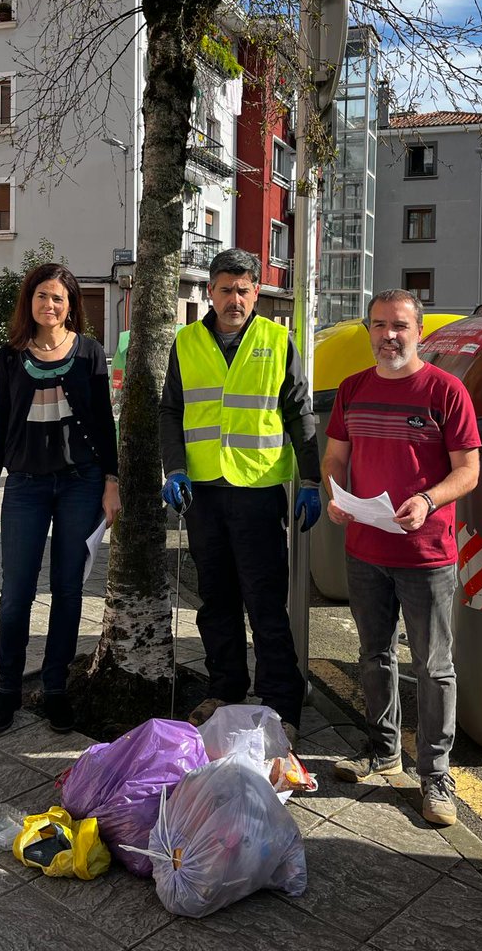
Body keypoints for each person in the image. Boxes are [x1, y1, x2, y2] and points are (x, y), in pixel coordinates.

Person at [322, 289, 479, 825]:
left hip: (427, 553)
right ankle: (382, 752)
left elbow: (469, 470)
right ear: (369, 330)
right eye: (379, 325)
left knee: (434, 667)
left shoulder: (446, 391)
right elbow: (336, 456)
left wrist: (430, 499)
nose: (389, 335)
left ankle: (436, 777)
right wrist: (336, 495)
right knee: (374, 657)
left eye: (400, 326)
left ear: (417, 333)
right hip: (365, 549)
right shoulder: (352, 390)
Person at [159, 248, 322, 746]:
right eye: (226, 289)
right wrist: (176, 469)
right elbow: (170, 411)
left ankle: (281, 702)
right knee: (216, 602)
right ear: (210, 291)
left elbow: (300, 413)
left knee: (265, 603)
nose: (235, 299)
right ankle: (225, 689)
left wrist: (311, 482)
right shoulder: (186, 342)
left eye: (244, 290)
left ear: (256, 292)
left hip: (256, 492)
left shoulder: (277, 340)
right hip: (204, 493)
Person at [0, 263, 121, 735]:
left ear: (70, 304)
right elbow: (2, 424)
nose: (50, 305)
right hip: (26, 485)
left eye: (58, 297)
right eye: (42, 296)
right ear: (30, 302)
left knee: (68, 589)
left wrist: (112, 481)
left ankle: (56, 687)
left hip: (81, 482)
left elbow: (103, 421)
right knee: (15, 592)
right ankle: (8, 688)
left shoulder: (90, 353)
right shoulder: (12, 354)